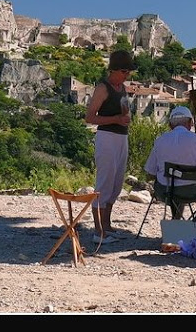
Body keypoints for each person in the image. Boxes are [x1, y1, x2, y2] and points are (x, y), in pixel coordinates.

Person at [85, 49, 135, 244]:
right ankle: (98, 231)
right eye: (124, 71)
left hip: (122, 137)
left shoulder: (122, 88)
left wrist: (125, 118)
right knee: (104, 183)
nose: (127, 75)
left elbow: (124, 110)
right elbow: (90, 117)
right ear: (114, 69)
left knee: (116, 184)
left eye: (128, 72)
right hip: (106, 137)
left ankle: (107, 225)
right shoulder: (102, 88)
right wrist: (115, 118)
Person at [144, 106, 196, 219]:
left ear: (170, 124)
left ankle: (176, 219)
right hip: (192, 191)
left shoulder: (160, 140)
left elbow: (150, 173)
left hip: (165, 191)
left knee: (174, 182)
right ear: (190, 123)